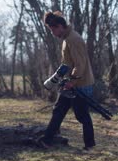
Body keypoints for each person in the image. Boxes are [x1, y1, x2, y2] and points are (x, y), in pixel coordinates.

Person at [39, 11, 96, 150]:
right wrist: (57, 78)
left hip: (80, 84)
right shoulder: (67, 39)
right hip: (70, 83)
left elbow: (80, 64)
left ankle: (90, 145)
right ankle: (47, 140)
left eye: (53, 30)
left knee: (81, 115)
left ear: (60, 26)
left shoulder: (73, 39)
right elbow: (67, 63)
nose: (52, 33)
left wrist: (72, 81)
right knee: (58, 110)